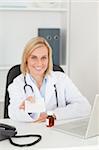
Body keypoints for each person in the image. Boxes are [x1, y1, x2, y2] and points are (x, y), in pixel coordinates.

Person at [8, 36, 91, 122]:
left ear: (49, 59)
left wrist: (53, 114)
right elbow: (13, 113)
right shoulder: (17, 84)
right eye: (34, 57)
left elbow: (84, 107)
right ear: (26, 59)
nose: (39, 63)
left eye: (43, 58)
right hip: (32, 132)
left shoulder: (61, 79)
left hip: (57, 131)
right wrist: (27, 111)